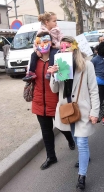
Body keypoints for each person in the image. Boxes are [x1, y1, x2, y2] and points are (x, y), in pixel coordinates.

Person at [50, 36, 100, 191]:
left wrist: (94, 111)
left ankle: (82, 176)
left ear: (74, 48)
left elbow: (93, 90)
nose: (63, 50)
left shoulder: (87, 66)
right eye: (61, 48)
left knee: (82, 143)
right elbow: (54, 90)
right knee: (75, 138)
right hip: (67, 111)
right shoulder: (60, 65)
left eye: (66, 47)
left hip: (83, 110)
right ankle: (84, 158)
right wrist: (53, 75)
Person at [31, 32, 75, 171]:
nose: (43, 44)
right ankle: (51, 156)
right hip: (39, 101)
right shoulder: (34, 60)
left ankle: (70, 139)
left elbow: (66, 78)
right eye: (40, 42)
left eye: (46, 41)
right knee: (46, 131)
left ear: (51, 42)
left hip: (56, 100)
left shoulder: (58, 58)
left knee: (62, 126)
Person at [23, 12, 63, 81]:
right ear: (47, 22)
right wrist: (37, 50)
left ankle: (50, 70)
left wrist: (56, 45)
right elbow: (36, 42)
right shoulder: (41, 31)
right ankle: (31, 72)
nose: (56, 23)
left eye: (56, 21)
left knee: (54, 54)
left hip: (53, 48)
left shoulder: (57, 30)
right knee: (33, 55)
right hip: (42, 49)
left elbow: (62, 40)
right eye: (54, 21)